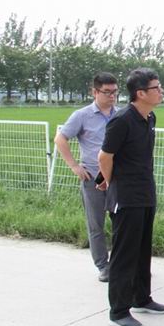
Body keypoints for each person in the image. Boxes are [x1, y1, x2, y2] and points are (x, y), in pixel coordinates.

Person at [98, 68, 164, 326]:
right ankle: (118, 311)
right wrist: (112, 182)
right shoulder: (122, 120)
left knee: (142, 250)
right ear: (140, 93)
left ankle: (142, 298)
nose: (161, 91)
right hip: (126, 196)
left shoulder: (149, 117)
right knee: (124, 255)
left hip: (145, 192)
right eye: (156, 88)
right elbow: (105, 157)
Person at [54, 72, 119, 282]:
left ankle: (121, 262)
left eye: (114, 92)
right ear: (94, 92)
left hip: (117, 177)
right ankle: (103, 265)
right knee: (96, 223)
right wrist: (74, 166)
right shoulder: (82, 116)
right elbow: (60, 139)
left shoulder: (120, 115)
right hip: (93, 177)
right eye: (106, 92)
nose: (111, 96)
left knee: (121, 222)